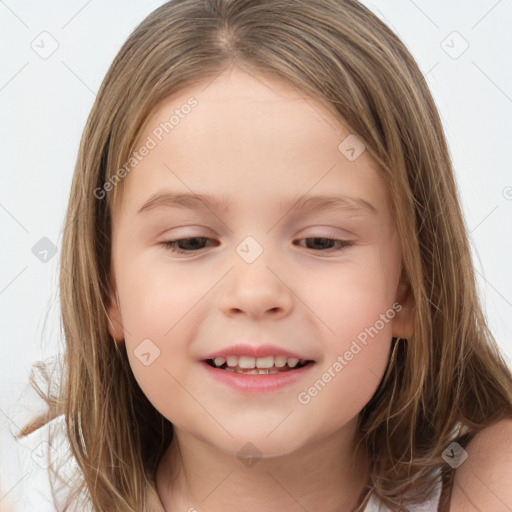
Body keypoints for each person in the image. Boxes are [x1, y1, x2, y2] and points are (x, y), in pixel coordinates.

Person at [15, 0, 512, 511]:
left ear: (410, 287)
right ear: (108, 287)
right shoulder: (33, 495)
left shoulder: (486, 486)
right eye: (190, 242)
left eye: (322, 241)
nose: (254, 293)